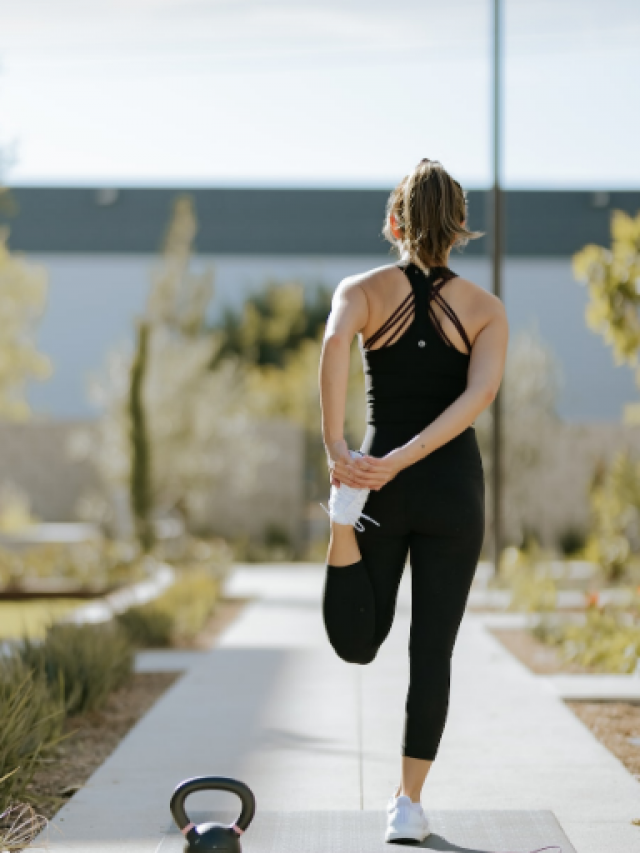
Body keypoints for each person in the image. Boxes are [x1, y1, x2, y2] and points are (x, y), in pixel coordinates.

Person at [318, 158, 508, 844]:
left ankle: (337, 524)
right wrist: (404, 460)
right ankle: (409, 804)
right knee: (434, 653)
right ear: (459, 228)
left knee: (359, 640)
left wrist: (341, 450)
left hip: (373, 483)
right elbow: (477, 396)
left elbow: (336, 340)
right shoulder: (486, 311)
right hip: (453, 488)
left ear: (394, 222)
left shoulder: (362, 289)